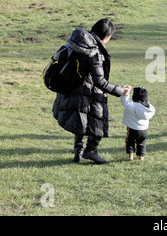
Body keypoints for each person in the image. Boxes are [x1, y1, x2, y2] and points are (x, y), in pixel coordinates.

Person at [53, 18, 125, 164]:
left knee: (80, 121)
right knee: (97, 119)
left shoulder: (78, 43)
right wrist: (120, 90)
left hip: (72, 89)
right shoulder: (95, 52)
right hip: (88, 92)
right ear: (106, 36)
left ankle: (78, 153)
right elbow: (100, 82)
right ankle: (91, 151)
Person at [121, 86, 155, 161]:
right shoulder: (149, 108)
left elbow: (125, 101)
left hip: (133, 128)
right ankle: (140, 157)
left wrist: (126, 93)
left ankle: (129, 156)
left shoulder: (132, 105)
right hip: (144, 130)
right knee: (142, 143)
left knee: (130, 142)